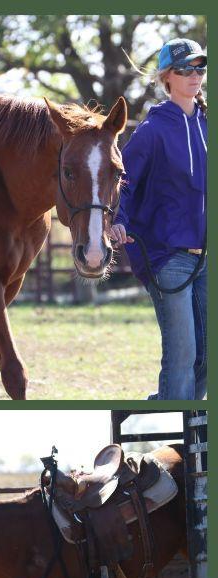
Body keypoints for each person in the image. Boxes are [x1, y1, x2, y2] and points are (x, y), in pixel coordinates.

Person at [111, 38, 207, 400]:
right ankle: (177, 425)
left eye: (200, 67)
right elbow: (123, 181)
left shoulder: (207, 126)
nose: (194, 75)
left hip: (205, 258)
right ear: (167, 77)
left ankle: (174, 409)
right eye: (185, 69)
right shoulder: (151, 132)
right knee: (182, 357)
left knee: (206, 359)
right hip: (167, 258)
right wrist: (116, 219)